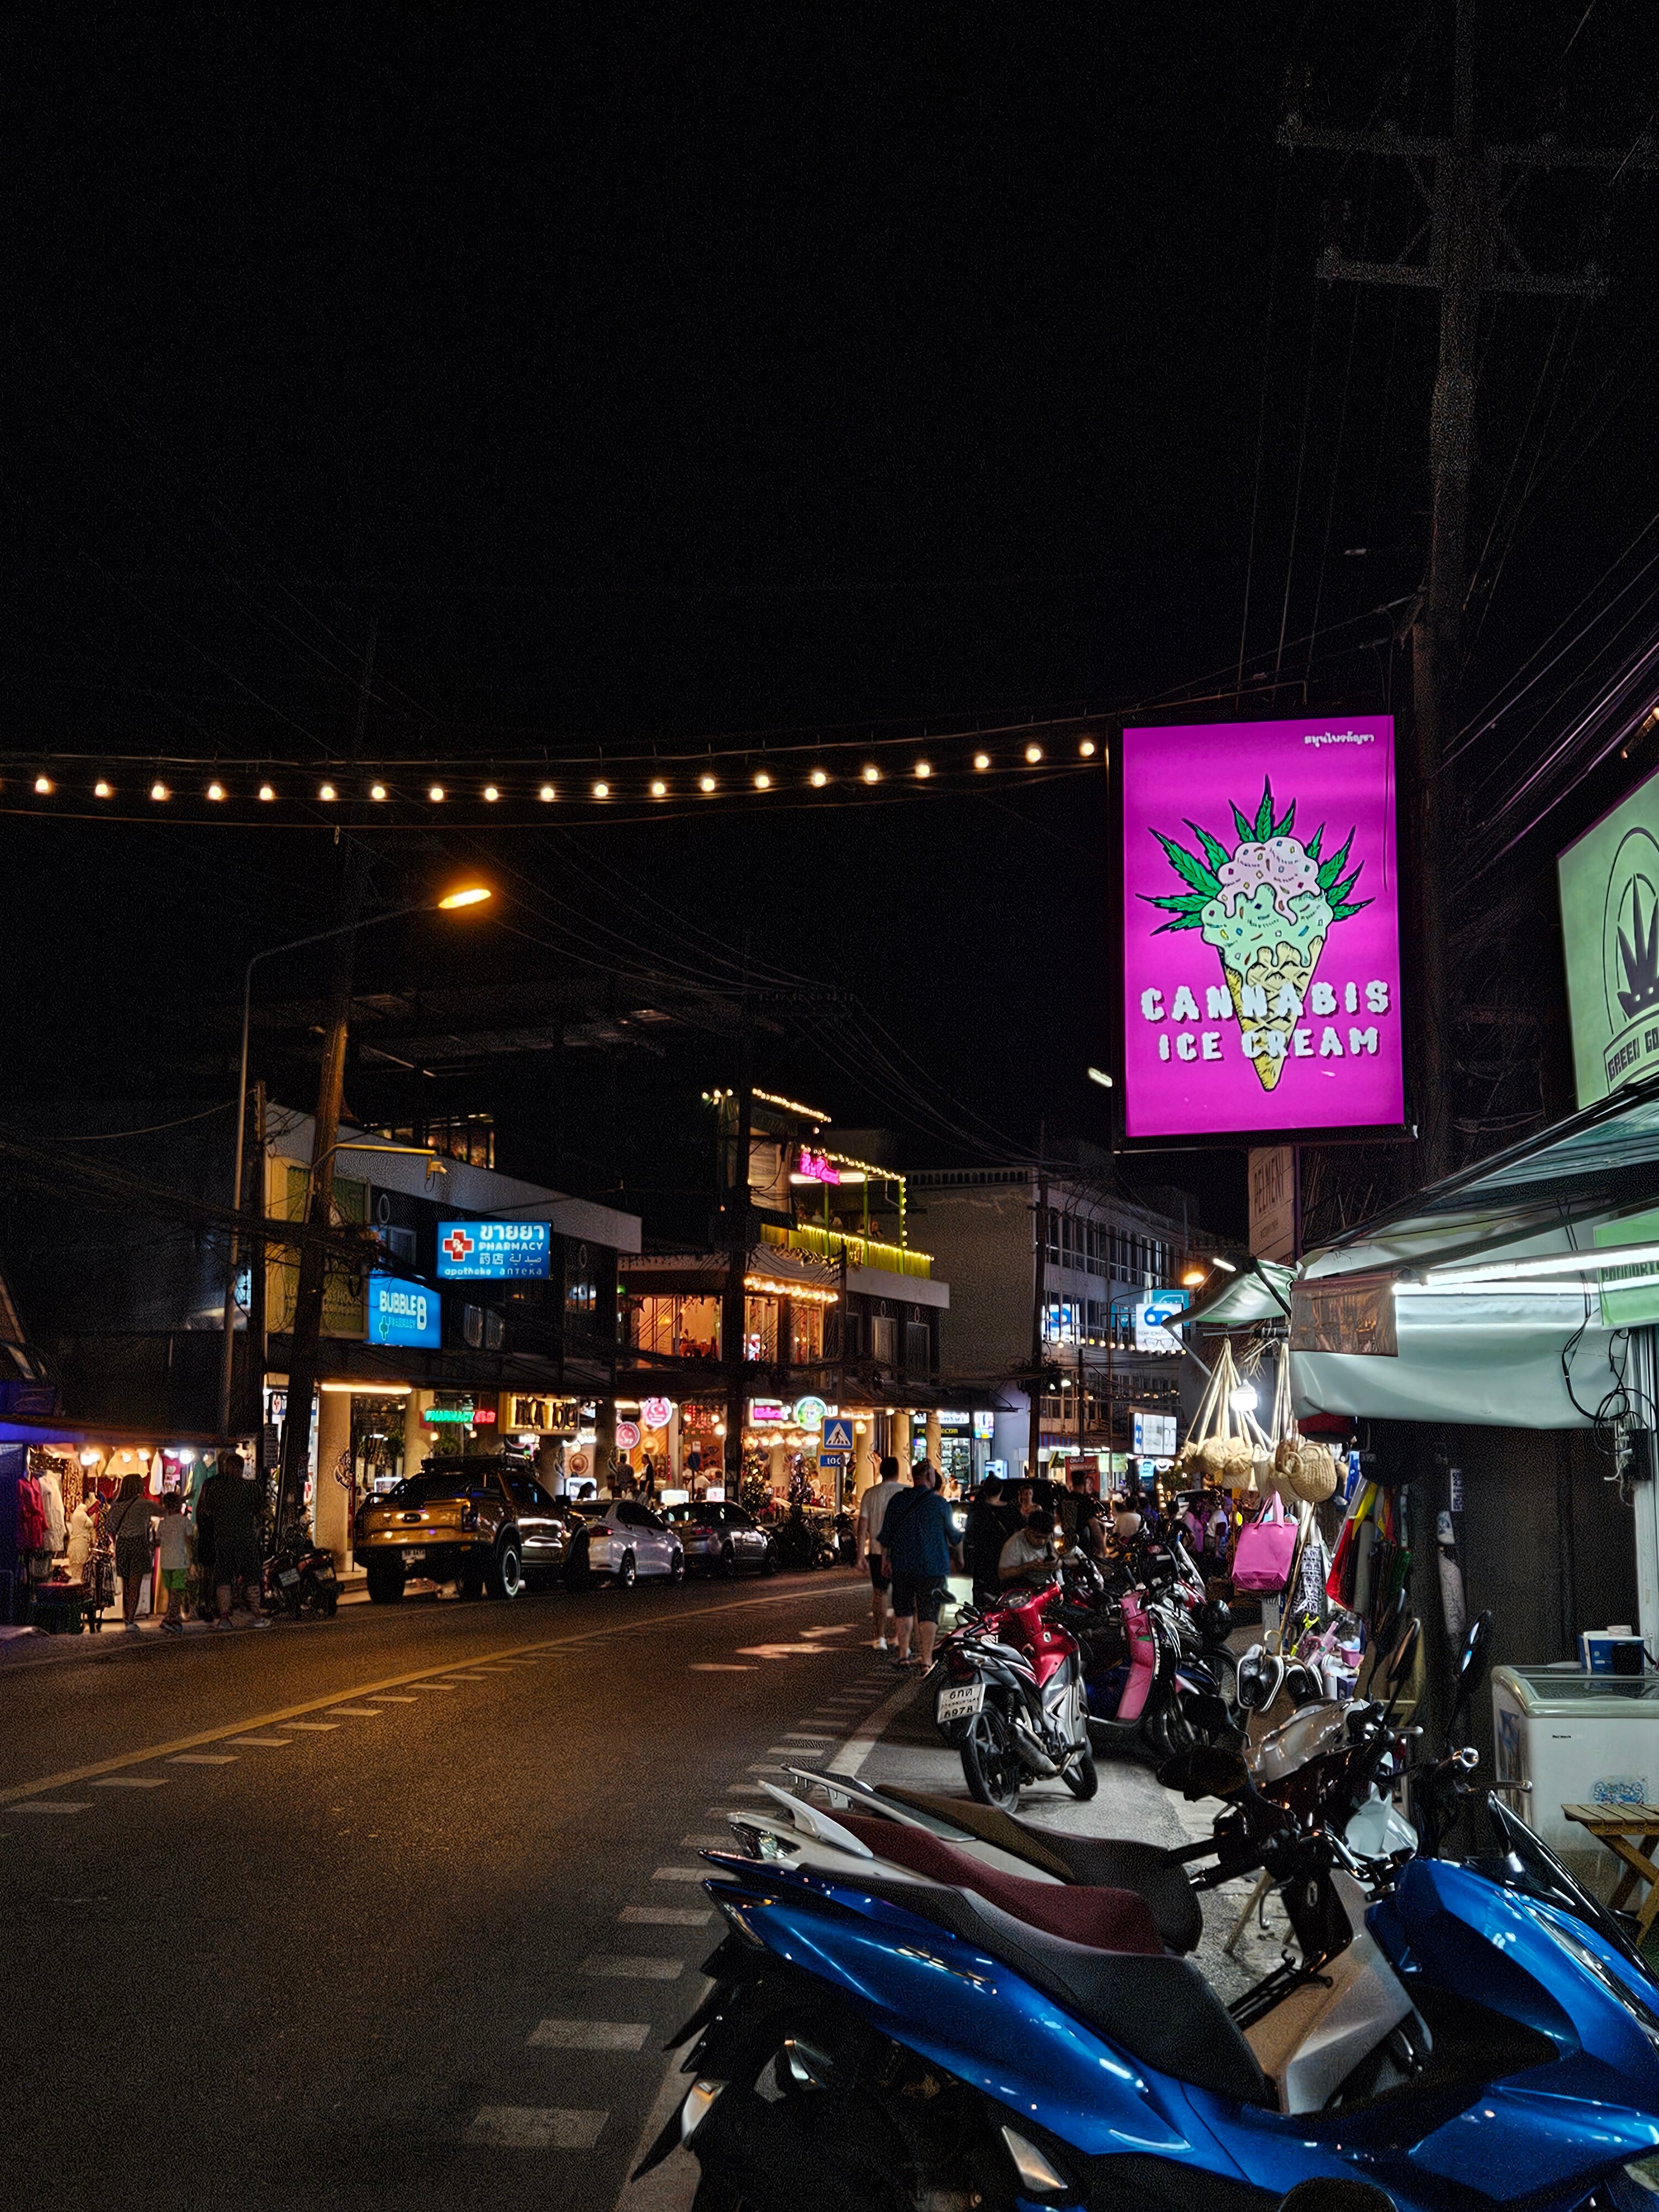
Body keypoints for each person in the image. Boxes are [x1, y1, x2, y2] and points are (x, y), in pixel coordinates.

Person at [878, 1460, 964, 1671]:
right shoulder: (940, 1504)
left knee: (903, 1609)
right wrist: (960, 1558)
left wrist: (885, 1560)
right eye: (934, 1473)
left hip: (902, 1564)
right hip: (932, 1565)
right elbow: (954, 1536)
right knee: (929, 1610)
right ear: (928, 1476)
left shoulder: (898, 1500)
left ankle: (903, 1656)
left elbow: (887, 1534)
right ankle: (926, 1660)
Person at [197, 1452, 269, 1629]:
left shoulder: (216, 1488)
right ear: (241, 1468)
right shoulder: (250, 1488)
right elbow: (262, 1512)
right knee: (251, 1576)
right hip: (245, 1539)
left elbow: (206, 1511)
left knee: (223, 1579)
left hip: (222, 1539)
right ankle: (256, 1615)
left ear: (227, 1467)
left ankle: (224, 1618)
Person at [856, 1456, 905, 1652]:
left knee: (880, 1594)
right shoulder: (905, 1493)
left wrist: (860, 1555)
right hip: (902, 1551)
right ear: (898, 1472)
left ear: (881, 1472)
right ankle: (900, 1637)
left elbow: (862, 1528)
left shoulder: (870, 1494)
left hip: (876, 1551)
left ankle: (880, 1637)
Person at [105, 1473, 156, 1632]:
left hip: (123, 1545)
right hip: (138, 1544)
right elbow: (148, 1526)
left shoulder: (117, 1505)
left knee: (127, 1584)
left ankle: (128, 1618)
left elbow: (110, 1527)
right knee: (135, 1584)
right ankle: (130, 1619)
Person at [962, 1479, 1008, 1610]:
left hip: (982, 1559)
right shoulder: (1010, 1510)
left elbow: (970, 1534)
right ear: (1001, 1491)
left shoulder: (976, 1509)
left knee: (982, 1597)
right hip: (1006, 1558)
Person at [154, 1491, 191, 1635]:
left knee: (172, 1592)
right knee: (177, 1592)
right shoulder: (185, 1522)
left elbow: (157, 1542)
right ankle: (169, 1620)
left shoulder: (163, 1524)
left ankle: (173, 1619)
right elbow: (189, 1540)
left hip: (166, 1562)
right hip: (180, 1561)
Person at [998, 1508, 1058, 1588]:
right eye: (1038, 1537)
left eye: (1046, 1538)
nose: (1042, 1542)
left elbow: (1078, 1556)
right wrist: (1027, 1567)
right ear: (1028, 1530)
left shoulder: (1055, 1537)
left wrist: (1059, 1563)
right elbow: (1002, 1574)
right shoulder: (1015, 1543)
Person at [1058, 1466, 1106, 1560]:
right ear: (1084, 1483)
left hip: (1067, 1542)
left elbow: (1059, 1520)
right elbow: (1094, 1525)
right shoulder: (1086, 1502)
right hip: (1083, 1544)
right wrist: (1102, 1550)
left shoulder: (1064, 1500)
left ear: (1072, 1482)